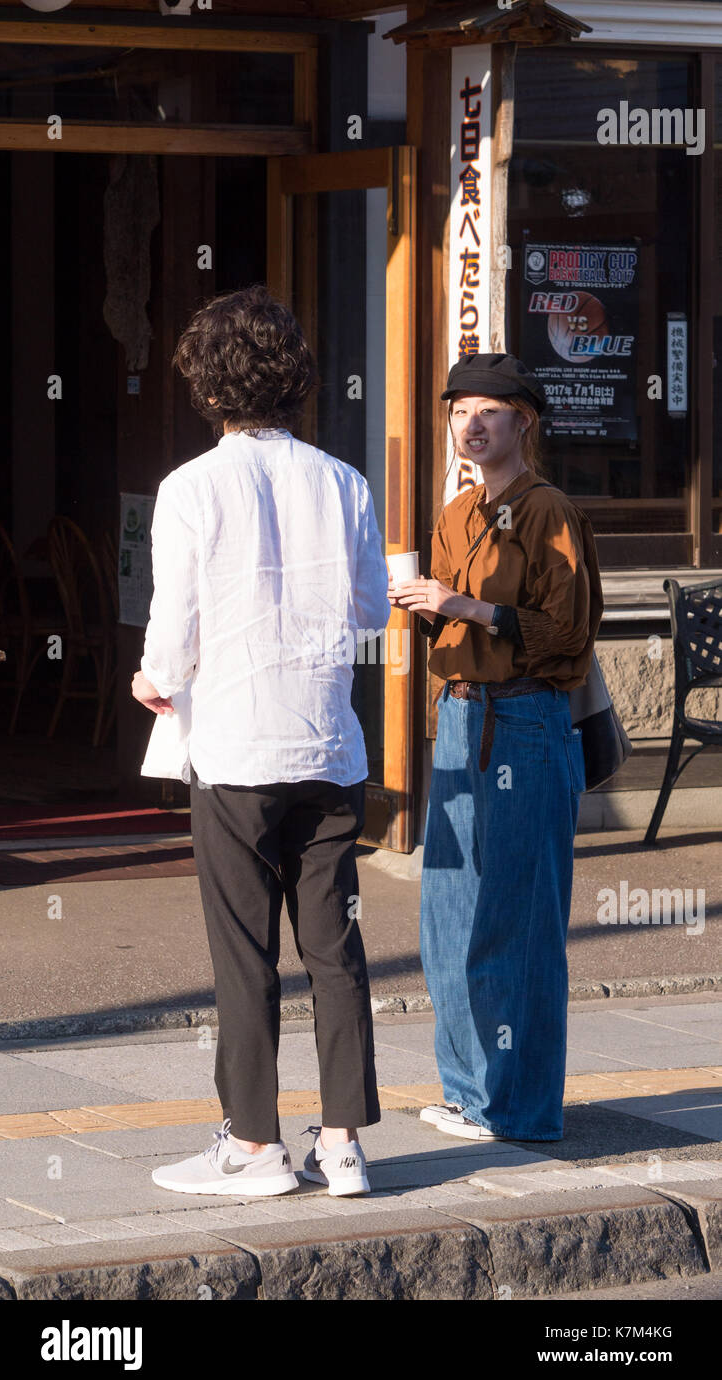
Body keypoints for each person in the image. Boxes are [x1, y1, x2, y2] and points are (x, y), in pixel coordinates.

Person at [131, 285, 390, 1197]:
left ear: (206, 385)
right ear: (297, 380)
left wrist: (152, 680)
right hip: (329, 745)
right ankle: (345, 1144)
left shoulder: (191, 487)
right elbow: (367, 611)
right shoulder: (345, 481)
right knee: (336, 948)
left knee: (244, 952)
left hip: (237, 745)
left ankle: (250, 1146)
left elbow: (175, 623)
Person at [389, 353, 603, 1143]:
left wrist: (468, 607)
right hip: (458, 719)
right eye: (457, 412)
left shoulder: (547, 510)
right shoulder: (456, 513)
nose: (470, 425)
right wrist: (419, 605)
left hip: (525, 722)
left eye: (488, 411)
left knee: (516, 921)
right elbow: (451, 615)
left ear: (524, 422)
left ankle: (516, 1107)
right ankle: (469, 1094)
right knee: (446, 915)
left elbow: (566, 632)